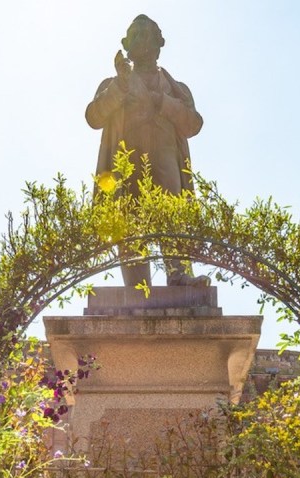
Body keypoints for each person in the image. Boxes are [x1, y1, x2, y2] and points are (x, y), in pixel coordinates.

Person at [86, 15, 208, 287]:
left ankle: (179, 275)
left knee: (173, 215)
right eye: (136, 35)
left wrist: (161, 101)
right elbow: (94, 117)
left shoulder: (176, 88)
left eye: (147, 35)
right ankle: (136, 286)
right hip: (126, 162)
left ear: (159, 43)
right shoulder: (113, 83)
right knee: (129, 221)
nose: (142, 41)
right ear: (126, 45)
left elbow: (193, 124)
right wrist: (119, 87)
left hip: (167, 160)